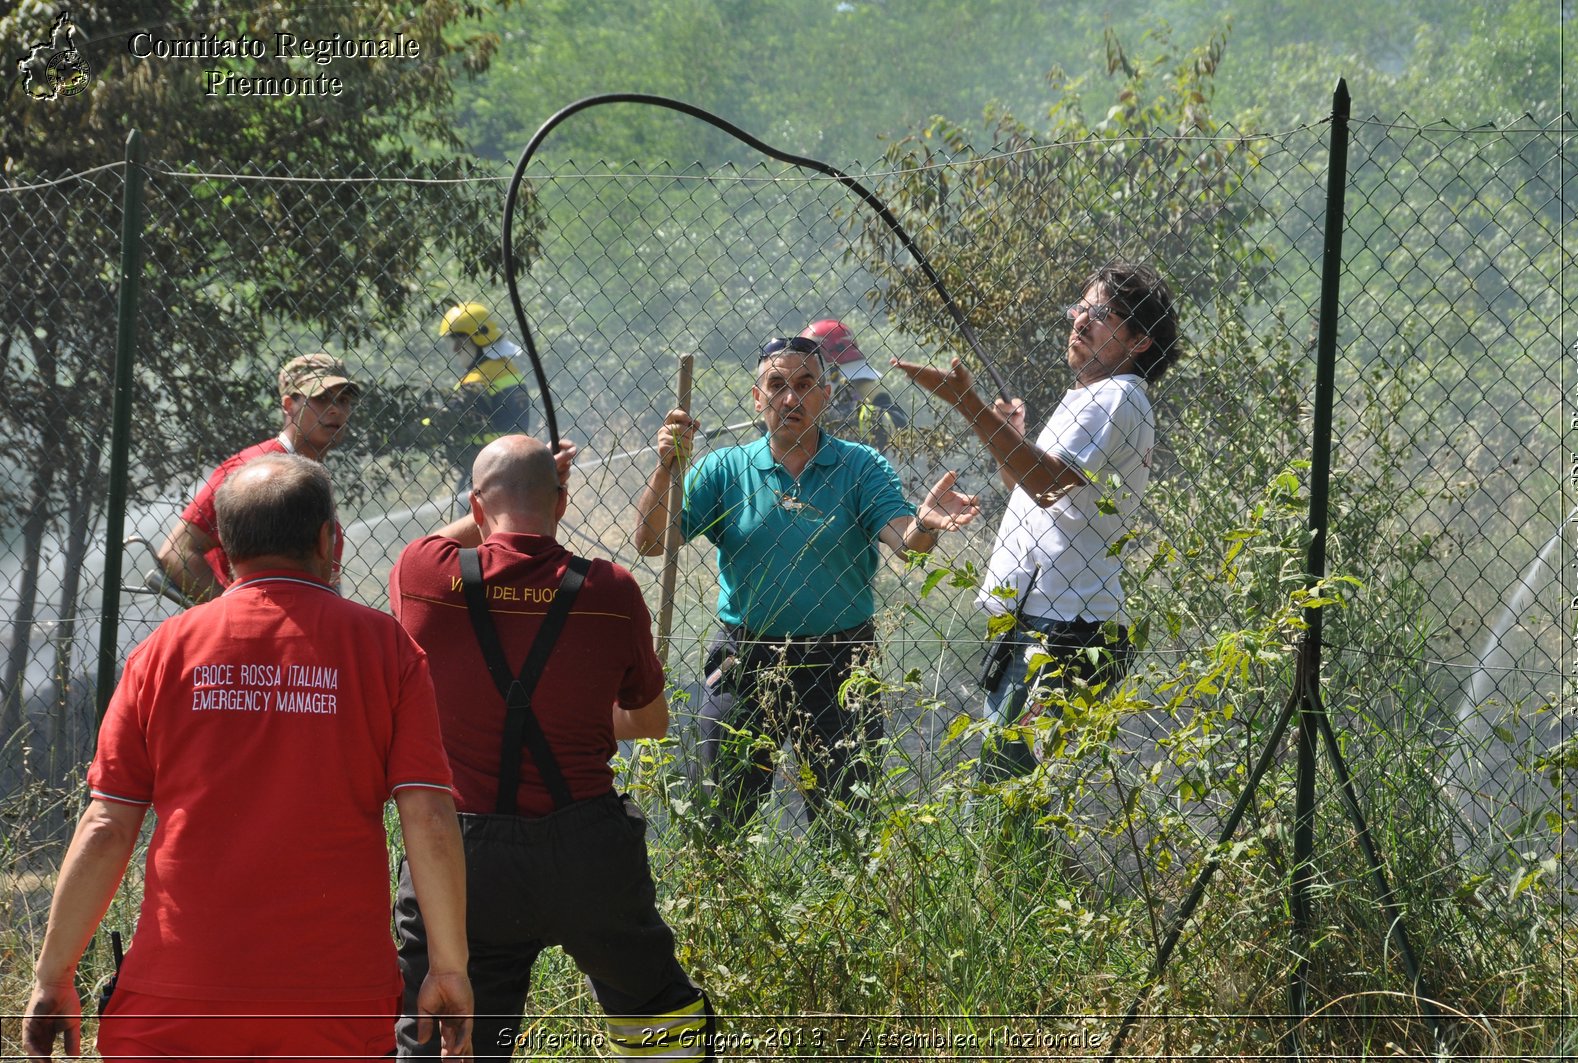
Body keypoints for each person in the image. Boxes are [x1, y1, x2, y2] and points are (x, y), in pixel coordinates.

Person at [23, 453, 471, 1061]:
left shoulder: (163, 653)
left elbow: (107, 826)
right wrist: (448, 968)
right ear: (327, 539)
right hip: (333, 1003)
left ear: (225, 549)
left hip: (177, 1001)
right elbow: (429, 817)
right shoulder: (385, 647)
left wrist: (54, 975)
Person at [390, 434, 712, 1061]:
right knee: (660, 1023)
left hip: (463, 858)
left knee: (453, 1037)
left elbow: (455, 535)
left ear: (478, 510)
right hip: (586, 851)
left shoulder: (424, 575)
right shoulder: (612, 592)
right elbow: (648, 721)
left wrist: (493, 500)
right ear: (563, 504)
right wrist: (579, 713)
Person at [634, 334, 980, 834]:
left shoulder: (861, 467)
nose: (790, 399)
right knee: (718, 820)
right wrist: (667, 468)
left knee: (847, 826)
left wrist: (923, 524)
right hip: (745, 659)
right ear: (758, 398)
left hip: (841, 663)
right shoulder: (723, 469)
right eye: (777, 385)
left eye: (804, 385)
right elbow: (649, 543)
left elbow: (905, 543)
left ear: (826, 395)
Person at [892, 261, 1181, 777]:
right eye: (1081, 308)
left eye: (1102, 314)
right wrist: (1012, 439)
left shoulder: (1111, 396)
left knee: (1008, 792)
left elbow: (1046, 483)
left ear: (1139, 342)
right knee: (1017, 792)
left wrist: (969, 405)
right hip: (1054, 621)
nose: (1081, 321)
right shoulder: (1103, 398)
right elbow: (1036, 491)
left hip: (1062, 628)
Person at [156, 351, 359, 603]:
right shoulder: (252, 467)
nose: (336, 410)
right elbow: (177, 551)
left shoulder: (312, 472)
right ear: (288, 405)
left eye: (344, 400)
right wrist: (229, 613)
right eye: (321, 398)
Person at [436, 301, 533, 508]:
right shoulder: (508, 368)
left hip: (483, 468)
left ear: (478, 337)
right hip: (516, 466)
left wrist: (425, 421)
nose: (454, 350)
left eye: (459, 341)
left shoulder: (476, 381)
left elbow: (447, 420)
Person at [800, 318, 910, 448]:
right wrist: (876, 393)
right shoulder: (838, 416)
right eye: (850, 382)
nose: (852, 389)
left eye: (855, 383)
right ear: (824, 372)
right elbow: (898, 424)